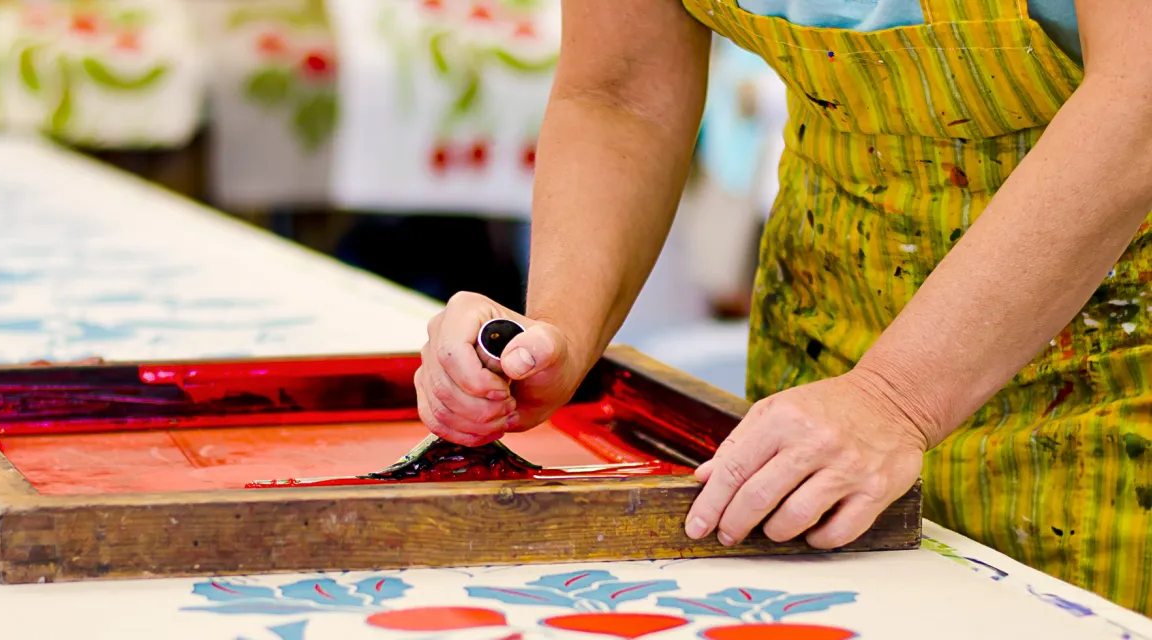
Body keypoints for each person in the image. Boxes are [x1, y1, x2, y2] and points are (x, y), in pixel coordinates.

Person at [413, 0, 1152, 616]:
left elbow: (1141, 94)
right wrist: (558, 330)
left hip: (1121, 377)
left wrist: (893, 397)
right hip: (824, 346)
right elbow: (620, 91)